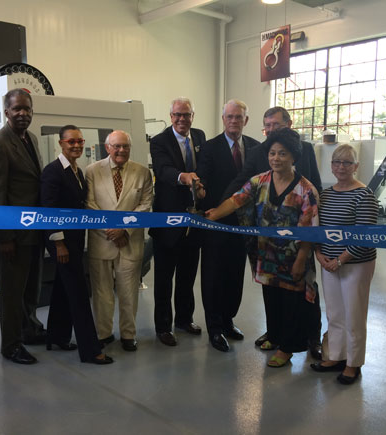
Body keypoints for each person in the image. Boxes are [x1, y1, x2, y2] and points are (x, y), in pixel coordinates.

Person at [205, 128, 319, 367]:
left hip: (294, 258)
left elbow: (309, 230)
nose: (276, 158)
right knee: (272, 298)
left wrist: (301, 259)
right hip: (267, 255)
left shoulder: (306, 190)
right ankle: (275, 336)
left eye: (282, 154)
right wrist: (214, 214)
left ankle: (288, 347)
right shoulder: (260, 181)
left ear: (294, 157)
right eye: (272, 153)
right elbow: (237, 199)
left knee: (292, 302)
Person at [0, 88, 45, 365]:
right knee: (11, 293)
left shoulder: (30, 138)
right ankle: (10, 345)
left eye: (27, 109)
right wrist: (3, 237)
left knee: (31, 288)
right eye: (17, 109)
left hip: (33, 232)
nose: (23, 114)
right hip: (12, 236)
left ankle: (29, 329)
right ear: (6, 112)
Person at [40, 125, 113, 365]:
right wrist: (59, 243)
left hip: (74, 238)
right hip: (61, 241)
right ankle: (91, 351)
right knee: (80, 293)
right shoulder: (52, 172)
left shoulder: (77, 172)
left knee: (63, 288)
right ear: (61, 143)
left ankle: (57, 336)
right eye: (71, 142)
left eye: (80, 141)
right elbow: (48, 210)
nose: (77, 146)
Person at [196, 99, 260, 352]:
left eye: (239, 117)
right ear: (223, 119)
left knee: (235, 276)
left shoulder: (256, 148)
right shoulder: (209, 148)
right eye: (229, 117)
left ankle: (228, 320)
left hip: (244, 226)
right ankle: (214, 328)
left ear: (246, 120)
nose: (234, 121)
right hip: (216, 222)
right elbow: (203, 182)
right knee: (213, 277)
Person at [311, 144, 378, 384]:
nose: (341, 167)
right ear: (331, 166)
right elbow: (317, 229)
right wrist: (320, 255)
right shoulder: (326, 194)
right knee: (335, 313)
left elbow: (365, 234)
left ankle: (353, 363)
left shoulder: (364, 195)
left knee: (354, 314)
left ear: (356, 167)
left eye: (347, 163)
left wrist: (341, 260)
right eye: (337, 162)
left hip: (355, 264)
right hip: (328, 263)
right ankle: (335, 356)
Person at [86, 130, 153, 352]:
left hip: (130, 242)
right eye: (117, 146)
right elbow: (90, 205)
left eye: (125, 146)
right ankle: (103, 333)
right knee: (102, 292)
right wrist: (111, 229)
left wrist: (123, 229)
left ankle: (128, 334)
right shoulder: (92, 172)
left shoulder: (142, 172)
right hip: (101, 241)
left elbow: (145, 204)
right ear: (107, 148)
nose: (121, 150)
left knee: (128, 293)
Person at [149, 97, 206, 346]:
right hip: (167, 222)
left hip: (194, 222)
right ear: (170, 116)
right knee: (164, 278)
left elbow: (205, 168)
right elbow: (162, 170)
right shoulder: (160, 141)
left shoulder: (201, 137)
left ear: (193, 115)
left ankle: (184, 319)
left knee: (187, 275)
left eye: (186, 115)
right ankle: (163, 326)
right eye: (177, 115)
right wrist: (184, 177)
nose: (182, 119)